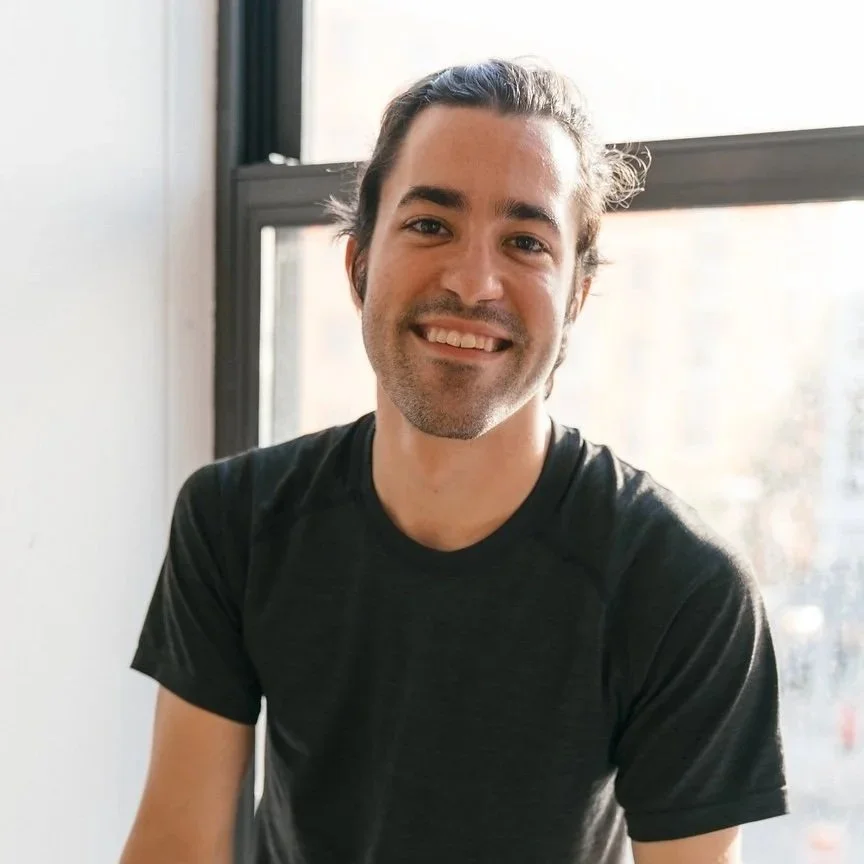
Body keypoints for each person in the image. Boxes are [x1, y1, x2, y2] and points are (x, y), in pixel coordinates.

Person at [120, 59, 788, 864]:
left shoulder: (683, 588)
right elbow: (175, 846)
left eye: (525, 242)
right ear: (359, 265)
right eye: (431, 225)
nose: (474, 284)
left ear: (576, 296)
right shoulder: (234, 520)